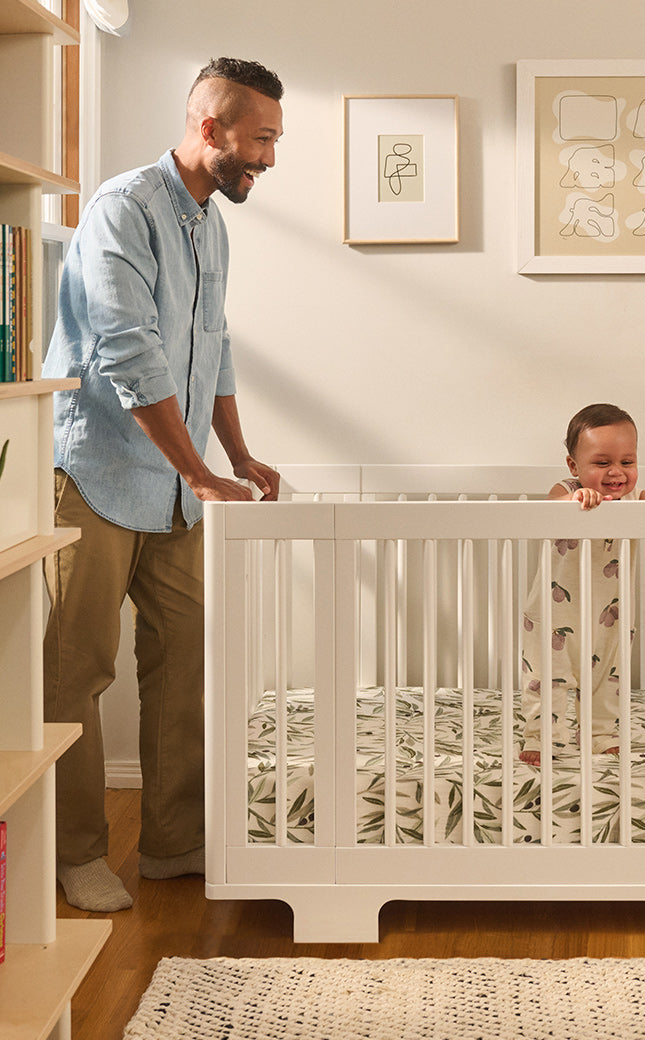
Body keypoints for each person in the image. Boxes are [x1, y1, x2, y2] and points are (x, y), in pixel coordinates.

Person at [41, 57, 285, 913]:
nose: (270, 156)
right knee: (76, 671)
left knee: (185, 659)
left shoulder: (208, 224)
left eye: (276, 141)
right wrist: (199, 470)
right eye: (261, 138)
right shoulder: (123, 208)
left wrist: (238, 457)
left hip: (181, 484)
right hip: (97, 474)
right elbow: (127, 351)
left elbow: (210, 344)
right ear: (211, 128)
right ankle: (71, 852)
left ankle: (174, 842)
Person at [520, 403, 645, 767]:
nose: (616, 473)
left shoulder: (635, 500)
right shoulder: (566, 491)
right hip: (552, 612)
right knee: (548, 677)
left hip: (610, 612)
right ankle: (542, 736)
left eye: (627, 462)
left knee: (609, 675)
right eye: (602, 462)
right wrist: (574, 499)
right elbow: (553, 506)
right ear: (574, 466)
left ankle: (602, 735)